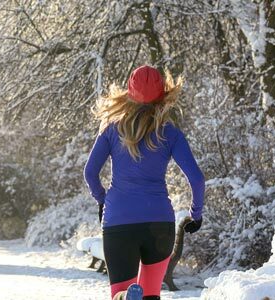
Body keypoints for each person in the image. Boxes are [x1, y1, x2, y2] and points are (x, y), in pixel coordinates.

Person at [84, 65, 205, 300]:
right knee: (151, 295)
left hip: (119, 221)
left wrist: (102, 201)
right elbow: (197, 179)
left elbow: (90, 172)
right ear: (163, 94)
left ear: (129, 92)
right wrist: (196, 214)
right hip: (159, 223)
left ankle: (122, 297)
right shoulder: (170, 133)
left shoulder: (111, 129)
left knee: (121, 291)